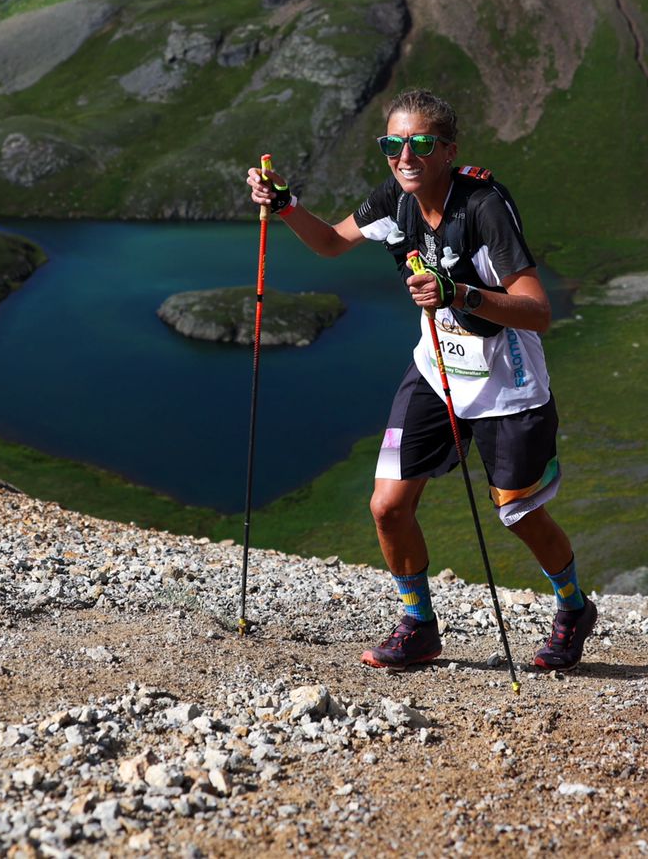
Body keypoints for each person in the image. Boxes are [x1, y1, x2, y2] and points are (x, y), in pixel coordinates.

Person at [246, 87, 597, 671]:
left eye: (420, 144)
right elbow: (331, 243)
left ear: (448, 149)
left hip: (505, 383)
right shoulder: (395, 198)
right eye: (392, 143)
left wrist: (458, 293)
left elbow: (538, 311)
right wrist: (285, 205)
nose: (404, 156)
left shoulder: (483, 206)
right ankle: (418, 625)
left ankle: (572, 606)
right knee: (387, 506)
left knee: (518, 512)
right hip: (436, 370)